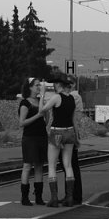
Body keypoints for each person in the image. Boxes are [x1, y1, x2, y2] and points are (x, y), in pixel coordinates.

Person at [41, 73, 79, 207]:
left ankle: (54, 198)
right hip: (69, 132)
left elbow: (42, 110)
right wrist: (77, 135)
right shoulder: (72, 99)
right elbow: (74, 120)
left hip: (57, 132)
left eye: (55, 84)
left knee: (52, 165)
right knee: (68, 165)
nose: (54, 86)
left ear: (58, 85)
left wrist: (42, 94)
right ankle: (69, 198)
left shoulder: (57, 97)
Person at [18, 77, 48, 206]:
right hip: (29, 138)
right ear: (30, 87)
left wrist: (43, 100)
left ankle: (39, 196)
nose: (38, 87)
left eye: (39, 85)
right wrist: (37, 115)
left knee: (39, 166)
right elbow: (21, 123)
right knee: (27, 166)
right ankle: (24, 197)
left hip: (41, 136)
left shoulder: (40, 101)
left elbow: (46, 117)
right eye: (36, 85)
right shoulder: (25, 103)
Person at [67, 75, 84, 205]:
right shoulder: (71, 96)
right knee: (69, 165)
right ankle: (70, 194)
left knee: (71, 165)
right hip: (69, 132)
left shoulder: (74, 97)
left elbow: (75, 119)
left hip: (71, 132)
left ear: (72, 85)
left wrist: (77, 136)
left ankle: (74, 195)